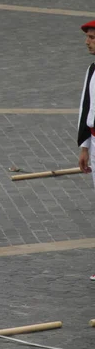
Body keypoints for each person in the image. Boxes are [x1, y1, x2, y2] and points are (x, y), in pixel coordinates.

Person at [77, 20, 95, 281]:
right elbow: (85, 107)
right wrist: (84, 146)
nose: (87, 41)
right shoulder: (92, 68)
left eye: (92, 37)